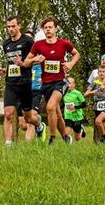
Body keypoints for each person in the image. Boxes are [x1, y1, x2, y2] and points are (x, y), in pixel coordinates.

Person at [23, 17, 80, 145]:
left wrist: (71, 64)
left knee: (50, 108)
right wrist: (35, 59)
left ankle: (52, 139)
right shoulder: (38, 45)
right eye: (45, 28)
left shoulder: (64, 43)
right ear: (43, 30)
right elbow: (26, 62)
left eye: (50, 27)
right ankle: (66, 137)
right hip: (46, 84)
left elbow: (76, 54)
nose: (48, 29)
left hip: (60, 82)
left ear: (55, 28)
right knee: (57, 113)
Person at [0, 17, 44, 146]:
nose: (11, 29)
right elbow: (10, 63)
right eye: (8, 27)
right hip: (11, 84)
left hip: (24, 83)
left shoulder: (28, 41)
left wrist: (23, 63)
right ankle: (8, 145)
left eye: (13, 26)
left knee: (28, 118)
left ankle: (39, 124)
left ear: (19, 26)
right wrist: (5, 70)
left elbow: (38, 58)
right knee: (8, 114)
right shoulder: (6, 44)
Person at [84, 65, 105, 145]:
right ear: (97, 72)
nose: (101, 73)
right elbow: (85, 94)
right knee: (103, 126)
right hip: (97, 106)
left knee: (99, 121)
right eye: (100, 71)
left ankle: (103, 139)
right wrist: (93, 92)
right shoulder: (95, 81)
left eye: (103, 72)